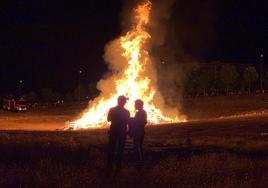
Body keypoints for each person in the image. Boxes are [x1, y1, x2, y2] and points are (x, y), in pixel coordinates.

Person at [106, 95, 130, 174]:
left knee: (111, 148)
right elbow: (128, 122)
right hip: (122, 132)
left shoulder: (112, 110)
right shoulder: (126, 111)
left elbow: (109, 119)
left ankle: (109, 165)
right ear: (123, 102)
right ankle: (118, 165)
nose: (125, 102)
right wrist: (129, 131)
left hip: (113, 131)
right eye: (124, 101)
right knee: (120, 149)